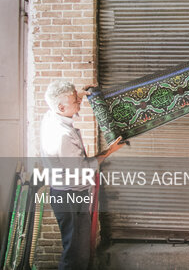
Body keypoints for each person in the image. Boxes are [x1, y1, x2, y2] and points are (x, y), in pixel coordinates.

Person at [40, 80, 124, 270]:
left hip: (69, 192)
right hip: (70, 195)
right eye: (75, 100)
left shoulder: (51, 115)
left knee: (81, 246)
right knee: (75, 252)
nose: (79, 102)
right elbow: (82, 169)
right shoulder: (61, 135)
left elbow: (64, 102)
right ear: (61, 107)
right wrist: (109, 151)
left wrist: (79, 93)